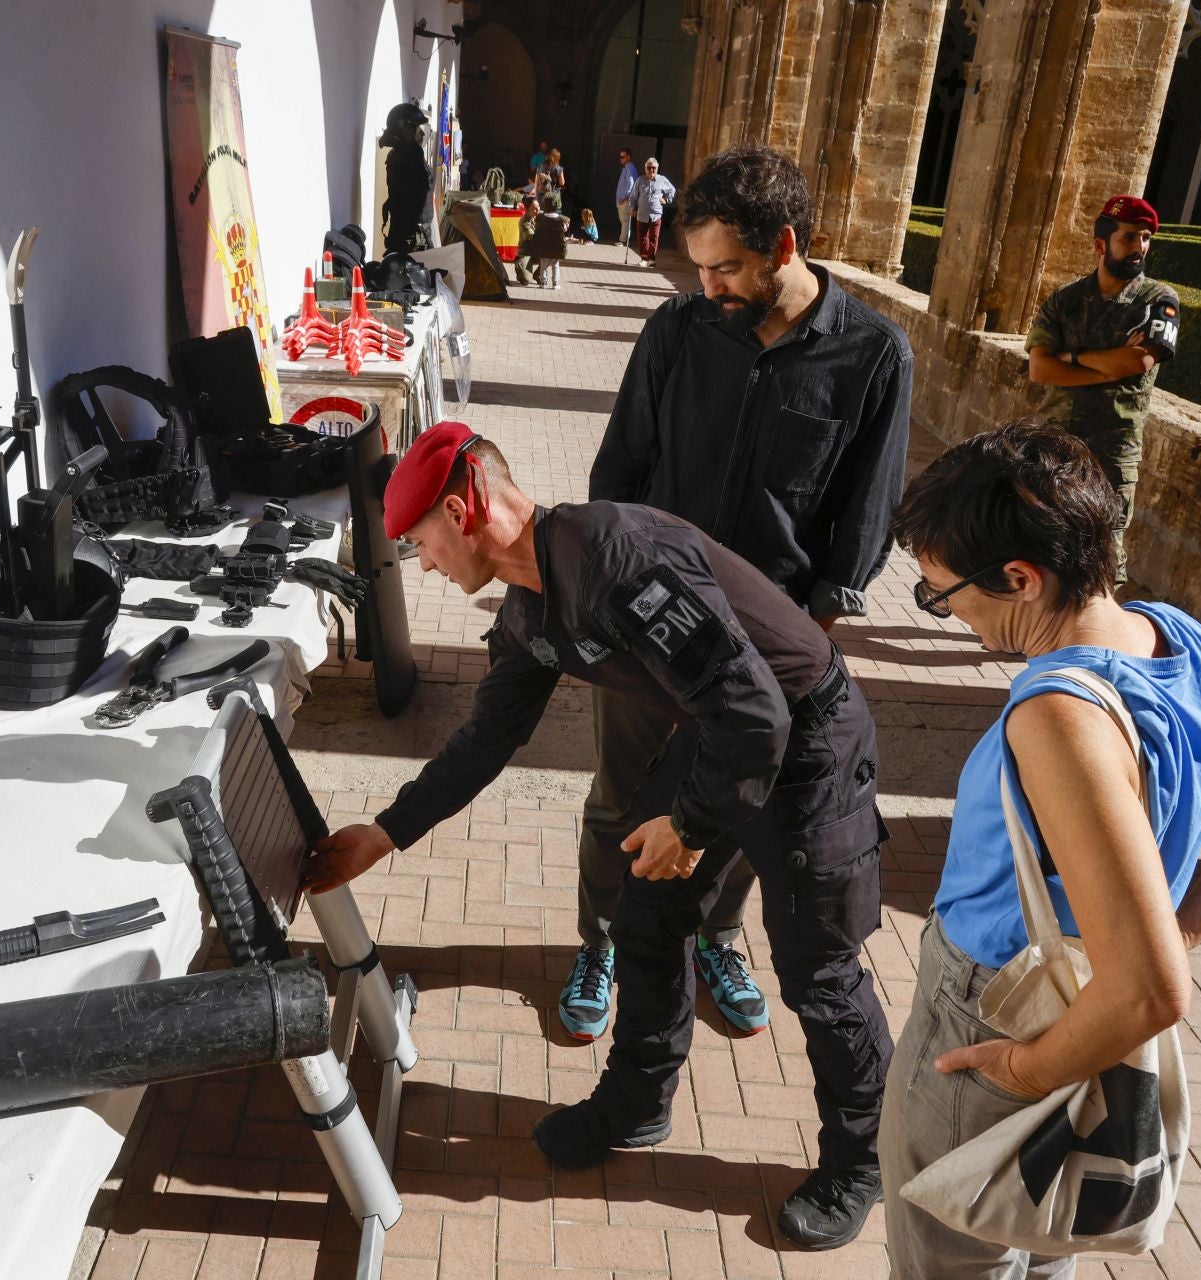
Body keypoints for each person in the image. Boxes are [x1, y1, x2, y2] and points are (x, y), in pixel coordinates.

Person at [308, 423, 893, 1251]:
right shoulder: (529, 610)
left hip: (808, 738)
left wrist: (689, 826)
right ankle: (637, 1101)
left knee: (818, 973)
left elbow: (760, 712)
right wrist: (386, 831)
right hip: (722, 730)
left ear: (460, 505)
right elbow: (487, 738)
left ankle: (864, 1159)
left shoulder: (620, 558)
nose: (425, 564)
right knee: (645, 910)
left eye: (420, 542)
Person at [880, 422, 1201, 1278]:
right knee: (1045, 1235)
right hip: (1089, 1002)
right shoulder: (1177, 637)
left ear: (1020, 578)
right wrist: (1177, 928)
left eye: (942, 595)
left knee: (954, 1254)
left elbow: (1155, 990)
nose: (950, 614)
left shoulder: (1058, 709)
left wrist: (1020, 1069)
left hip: (997, 1011)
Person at [573, 143, 912, 1048]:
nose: (709, 286)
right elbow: (620, 472)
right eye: (699, 268)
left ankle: (716, 937)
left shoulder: (873, 355)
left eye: (726, 267)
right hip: (651, 629)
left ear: (785, 246)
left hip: (767, 648)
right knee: (622, 794)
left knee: (740, 804)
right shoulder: (678, 333)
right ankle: (601, 938)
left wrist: (800, 649)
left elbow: (862, 525)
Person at [1024, 195, 1181, 584]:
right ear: (1101, 245)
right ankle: (1032, 634)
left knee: (1105, 550)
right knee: (1043, 538)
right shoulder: (1065, 300)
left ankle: (1099, 638)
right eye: (1129, 237)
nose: (1139, 247)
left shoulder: (1157, 301)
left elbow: (1139, 362)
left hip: (1114, 448)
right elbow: (1041, 368)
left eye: (1145, 238)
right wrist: (1103, 364)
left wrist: (1071, 358)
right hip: (1056, 442)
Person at [379, 102, 433, 255]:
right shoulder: (407, 157)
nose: (422, 134)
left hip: (416, 237)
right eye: (417, 129)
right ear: (406, 131)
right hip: (412, 241)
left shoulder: (406, 155)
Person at [630, 157, 677, 265]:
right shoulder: (640, 180)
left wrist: (666, 199)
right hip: (642, 214)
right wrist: (632, 208)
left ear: (657, 168)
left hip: (656, 215)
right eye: (649, 168)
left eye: (654, 168)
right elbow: (632, 197)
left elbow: (672, 190)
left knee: (654, 237)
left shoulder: (662, 180)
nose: (651, 170)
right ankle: (644, 258)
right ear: (645, 168)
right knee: (642, 238)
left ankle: (651, 259)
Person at [513, 194, 542, 287]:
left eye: (538, 207)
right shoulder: (524, 221)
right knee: (525, 281)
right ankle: (519, 267)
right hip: (526, 252)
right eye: (534, 208)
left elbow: (555, 216)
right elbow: (532, 237)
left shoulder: (540, 214)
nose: (537, 210)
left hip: (537, 250)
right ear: (527, 210)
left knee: (553, 253)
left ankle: (538, 274)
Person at [614, 148, 639, 249]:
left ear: (628, 157)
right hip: (623, 199)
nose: (621, 159)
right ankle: (624, 240)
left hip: (625, 200)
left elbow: (630, 184)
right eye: (620, 157)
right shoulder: (627, 168)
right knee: (624, 220)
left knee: (625, 220)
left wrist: (624, 197)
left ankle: (623, 241)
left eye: (623, 157)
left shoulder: (630, 168)